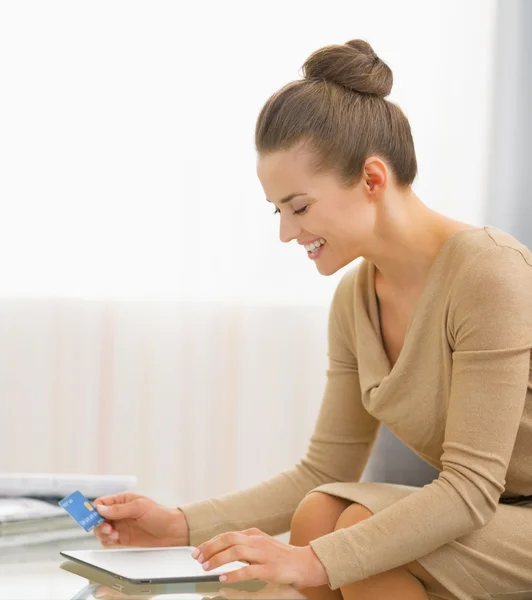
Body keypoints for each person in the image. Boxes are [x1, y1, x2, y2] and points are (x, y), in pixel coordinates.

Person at [92, 39, 532, 600]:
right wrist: (176, 525)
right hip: (498, 519)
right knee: (322, 508)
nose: (286, 232)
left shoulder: (488, 272)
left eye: (299, 206)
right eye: (279, 211)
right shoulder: (355, 297)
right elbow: (323, 469)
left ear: (373, 179)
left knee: (347, 531)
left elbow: (470, 487)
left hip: (501, 512)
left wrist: (313, 563)